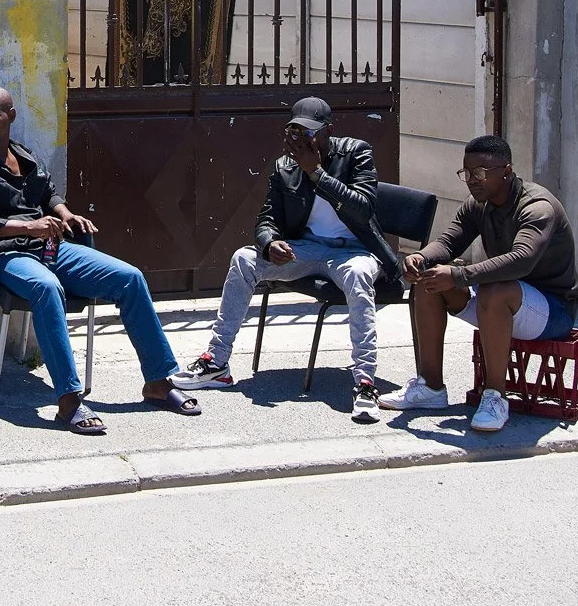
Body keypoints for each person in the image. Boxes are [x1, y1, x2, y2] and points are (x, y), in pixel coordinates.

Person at [0, 85, 200, 435]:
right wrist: (28, 226)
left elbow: (48, 192)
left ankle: (157, 381)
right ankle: (69, 401)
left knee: (130, 278)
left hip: (49, 248)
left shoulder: (23, 155)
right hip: (3, 255)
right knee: (47, 288)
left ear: (10, 116)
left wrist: (65, 214)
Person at [170, 96, 405, 420]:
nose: (302, 139)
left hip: (354, 249)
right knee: (244, 259)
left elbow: (363, 209)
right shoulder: (286, 166)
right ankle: (217, 362)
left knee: (358, 275)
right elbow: (266, 219)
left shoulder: (356, 153)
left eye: (309, 132)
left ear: (328, 131)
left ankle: (365, 382)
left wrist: (317, 174)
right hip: (307, 248)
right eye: (295, 132)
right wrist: (270, 244)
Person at [393, 135, 578, 434]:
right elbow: (449, 242)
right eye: (466, 172)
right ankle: (430, 388)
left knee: (495, 289)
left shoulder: (537, 207)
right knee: (429, 281)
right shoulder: (477, 205)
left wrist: (458, 276)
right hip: (501, 305)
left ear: (506, 171)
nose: (471, 180)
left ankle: (495, 398)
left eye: (479, 172)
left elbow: (521, 260)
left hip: (552, 311)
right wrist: (421, 257)